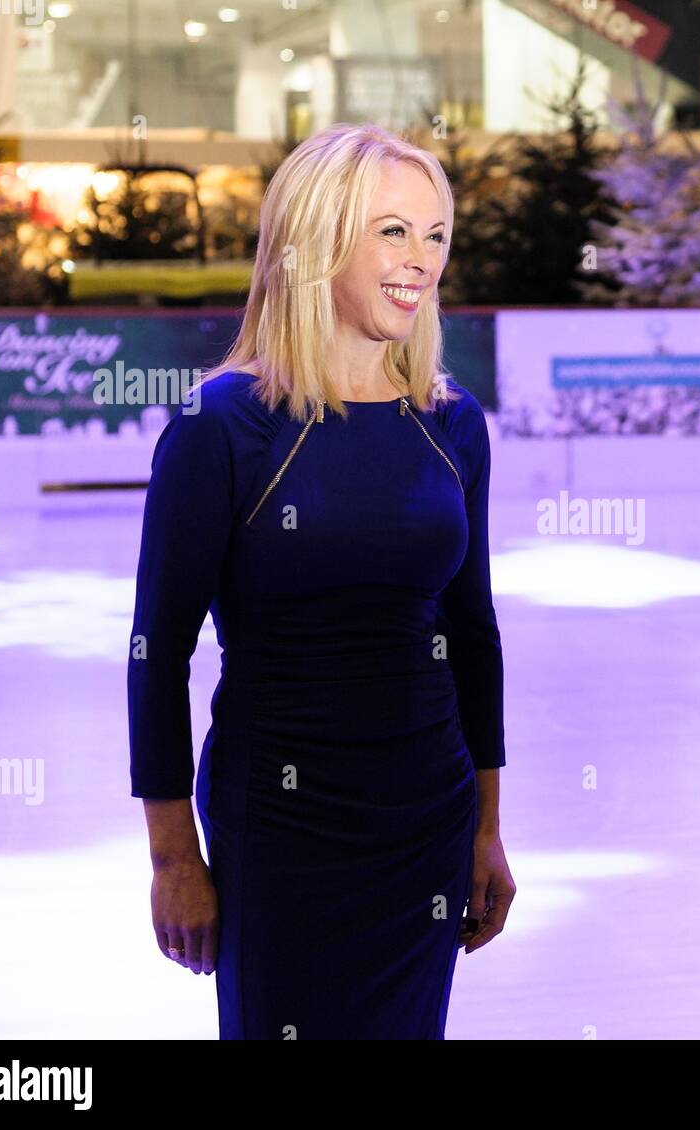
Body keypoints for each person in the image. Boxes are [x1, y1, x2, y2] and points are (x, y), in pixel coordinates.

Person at [128, 122, 515, 1039]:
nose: (418, 260)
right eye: (390, 231)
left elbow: (474, 633)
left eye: (434, 236)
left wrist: (487, 823)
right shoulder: (221, 425)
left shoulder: (451, 423)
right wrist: (173, 855)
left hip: (427, 810)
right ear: (315, 239)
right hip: (283, 824)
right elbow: (157, 652)